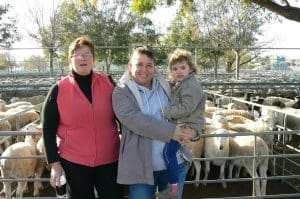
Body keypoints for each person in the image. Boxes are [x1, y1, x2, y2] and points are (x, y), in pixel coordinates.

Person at [112, 46, 199, 199]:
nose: (144, 70)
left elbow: (191, 107)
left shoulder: (167, 85)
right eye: (139, 64)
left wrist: (194, 131)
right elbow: (137, 121)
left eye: (149, 65)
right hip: (142, 169)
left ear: (155, 67)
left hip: (175, 164)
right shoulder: (121, 92)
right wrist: (172, 132)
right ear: (130, 66)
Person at [42, 36, 123, 199]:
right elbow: (47, 130)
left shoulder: (108, 84)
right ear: (70, 60)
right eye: (77, 54)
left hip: (110, 160)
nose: (82, 58)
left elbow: (124, 118)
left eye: (87, 54)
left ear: (94, 58)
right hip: (74, 163)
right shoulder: (58, 90)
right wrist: (55, 164)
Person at [161, 49, 206, 196]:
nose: (178, 71)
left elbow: (187, 108)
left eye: (182, 68)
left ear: (191, 68)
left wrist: (166, 112)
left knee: (168, 153)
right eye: (175, 69)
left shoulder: (190, 85)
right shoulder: (181, 83)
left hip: (188, 125)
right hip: (187, 123)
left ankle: (173, 185)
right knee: (172, 152)